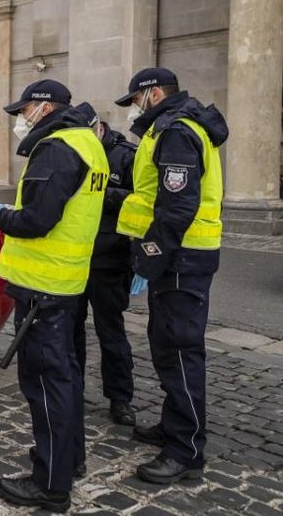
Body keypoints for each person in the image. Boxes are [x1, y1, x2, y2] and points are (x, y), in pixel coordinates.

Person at [0, 80, 109, 514]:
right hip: (65, 281)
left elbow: (37, 219)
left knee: (45, 384)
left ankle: (51, 484)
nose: (21, 120)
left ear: (42, 107)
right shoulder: (88, 142)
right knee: (66, 377)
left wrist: (2, 215)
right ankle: (67, 459)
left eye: (23, 111)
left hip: (44, 286)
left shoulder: (58, 146)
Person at [113, 68, 228, 484]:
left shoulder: (176, 131)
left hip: (182, 258)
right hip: (179, 258)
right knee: (166, 348)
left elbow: (177, 205)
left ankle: (186, 450)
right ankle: (174, 426)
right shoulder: (171, 128)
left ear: (153, 93)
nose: (132, 111)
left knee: (179, 352)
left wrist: (149, 256)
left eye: (135, 101)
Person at [71, 107, 139, 427]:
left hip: (110, 260)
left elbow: (141, 200)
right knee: (71, 332)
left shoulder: (125, 156)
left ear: (98, 129)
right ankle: (72, 390)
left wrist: (101, 193)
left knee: (111, 333)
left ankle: (120, 398)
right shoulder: (74, 152)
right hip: (75, 258)